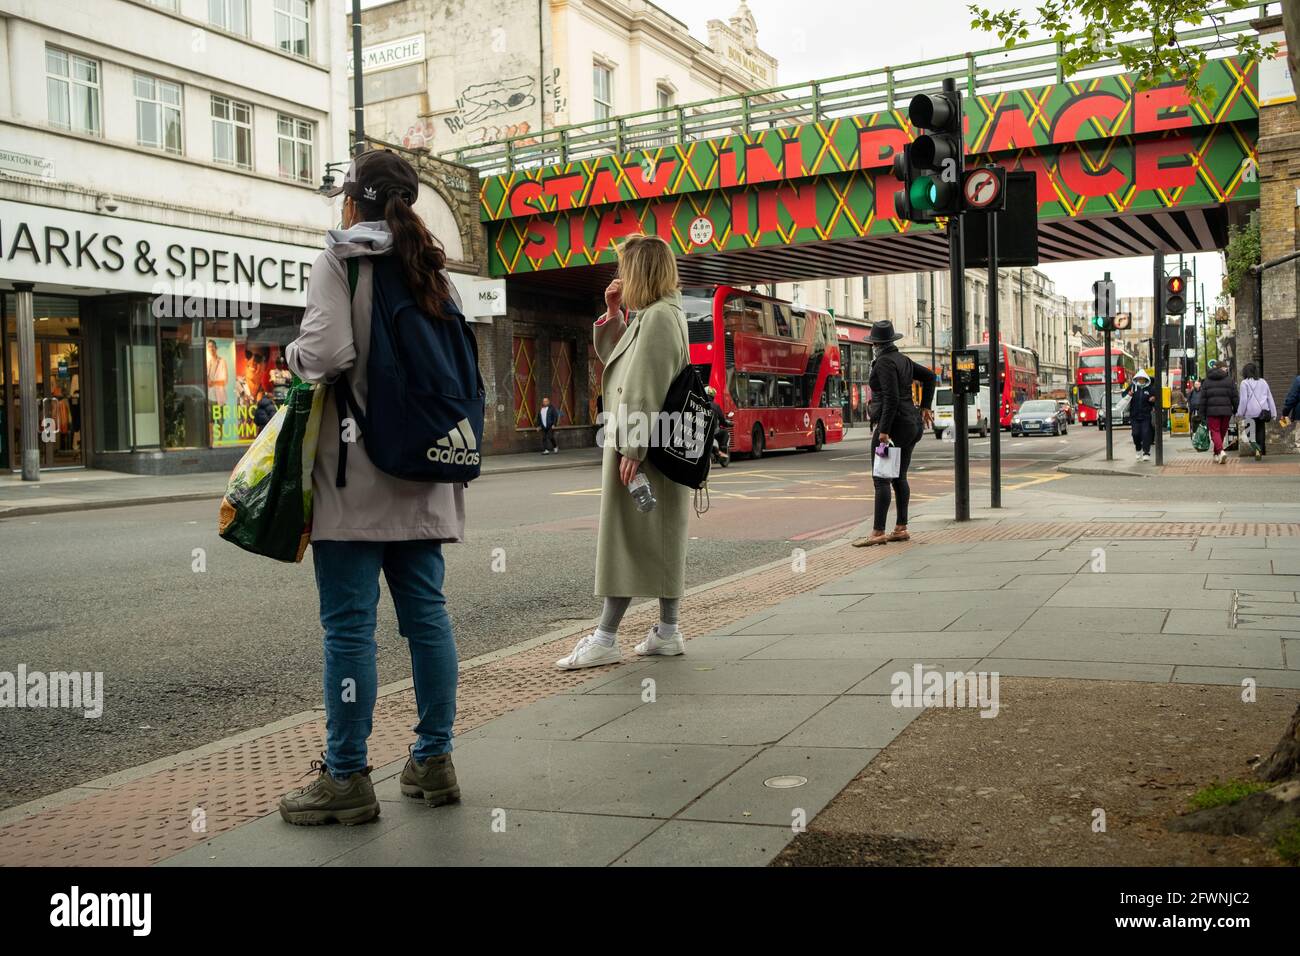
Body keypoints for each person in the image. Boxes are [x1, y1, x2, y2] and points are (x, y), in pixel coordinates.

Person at [279, 149, 465, 826]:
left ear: (354, 202)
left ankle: (348, 776)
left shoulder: (340, 261)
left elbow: (327, 355)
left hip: (356, 477)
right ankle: (433, 760)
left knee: (350, 628)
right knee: (427, 617)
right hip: (424, 474)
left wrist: (293, 356)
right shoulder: (433, 270)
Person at [555, 235, 690, 669]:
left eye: (625, 270)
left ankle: (605, 638)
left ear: (642, 272)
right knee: (659, 538)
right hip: (649, 441)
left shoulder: (658, 319)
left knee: (624, 542)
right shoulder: (658, 313)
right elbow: (619, 359)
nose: (620, 277)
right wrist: (613, 314)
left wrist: (632, 446)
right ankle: (667, 632)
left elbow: (644, 386)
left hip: (640, 445)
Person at [852, 320, 935, 548]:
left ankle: (878, 532)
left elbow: (891, 398)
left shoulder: (884, 363)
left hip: (894, 426)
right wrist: (925, 406)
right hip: (911, 424)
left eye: (873, 343)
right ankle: (901, 528)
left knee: (881, 479)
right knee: (900, 477)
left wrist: (884, 431)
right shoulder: (903, 360)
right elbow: (929, 376)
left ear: (876, 343)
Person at [1236, 363, 1278, 460]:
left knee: (1249, 432)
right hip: (1262, 412)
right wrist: (1273, 413)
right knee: (1260, 431)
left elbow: (1243, 400)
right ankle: (1259, 450)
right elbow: (1269, 397)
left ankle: (1257, 448)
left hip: (1250, 412)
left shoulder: (1244, 383)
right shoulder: (1263, 382)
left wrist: (1240, 413)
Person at [1199, 359, 1238, 464]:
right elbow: (1235, 397)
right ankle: (1218, 453)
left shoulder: (1207, 381)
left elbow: (1203, 399)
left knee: (1215, 431)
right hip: (1226, 411)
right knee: (1221, 432)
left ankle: (1219, 452)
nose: (1226, 370)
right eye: (1225, 368)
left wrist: (1201, 413)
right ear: (1222, 368)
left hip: (1212, 412)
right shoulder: (1229, 380)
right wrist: (1236, 409)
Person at [1127, 370, 1157, 461]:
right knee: (1135, 434)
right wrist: (1128, 394)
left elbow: (1156, 398)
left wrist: (1153, 399)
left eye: (1143, 379)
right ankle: (1138, 448)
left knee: (1146, 434)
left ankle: (1146, 452)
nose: (1141, 380)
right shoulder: (1132, 387)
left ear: (1146, 379)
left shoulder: (1150, 388)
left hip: (1145, 416)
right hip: (1134, 416)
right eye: (1139, 379)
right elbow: (1123, 395)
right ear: (1136, 379)